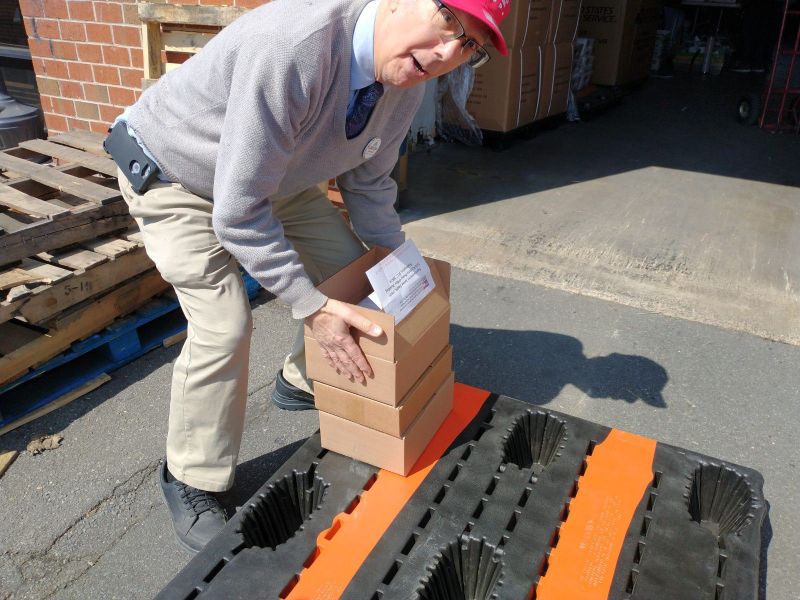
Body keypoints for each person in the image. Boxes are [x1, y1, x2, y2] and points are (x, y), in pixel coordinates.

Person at [107, 0, 510, 552]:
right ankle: (191, 477)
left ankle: (301, 378)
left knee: (351, 276)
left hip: (273, 179)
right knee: (225, 327)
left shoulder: (407, 79)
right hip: (178, 176)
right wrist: (311, 307)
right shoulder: (294, 49)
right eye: (449, 22)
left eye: (469, 46)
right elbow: (238, 215)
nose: (447, 52)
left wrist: (403, 266)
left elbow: (369, 185)